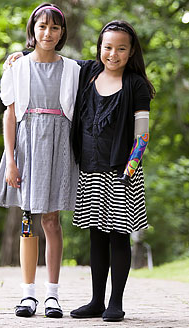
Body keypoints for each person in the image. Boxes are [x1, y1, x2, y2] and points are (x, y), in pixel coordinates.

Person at [0, 3, 80, 318]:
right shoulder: (18, 66)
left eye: (55, 28)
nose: (48, 33)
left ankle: (52, 295)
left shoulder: (73, 69)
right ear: (33, 30)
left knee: (52, 220)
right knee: (28, 218)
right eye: (42, 26)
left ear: (62, 32)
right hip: (27, 145)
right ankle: (27, 294)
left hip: (59, 144)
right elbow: (10, 115)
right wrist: (11, 160)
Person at [69, 20, 155, 322]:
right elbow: (52, 58)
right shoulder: (88, 73)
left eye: (121, 48)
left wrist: (130, 169)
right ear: (99, 48)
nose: (113, 54)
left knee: (119, 235)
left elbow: (142, 135)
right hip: (91, 169)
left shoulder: (136, 85)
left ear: (131, 52)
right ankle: (96, 300)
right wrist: (21, 55)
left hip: (122, 171)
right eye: (108, 47)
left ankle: (115, 303)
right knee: (96, 236)